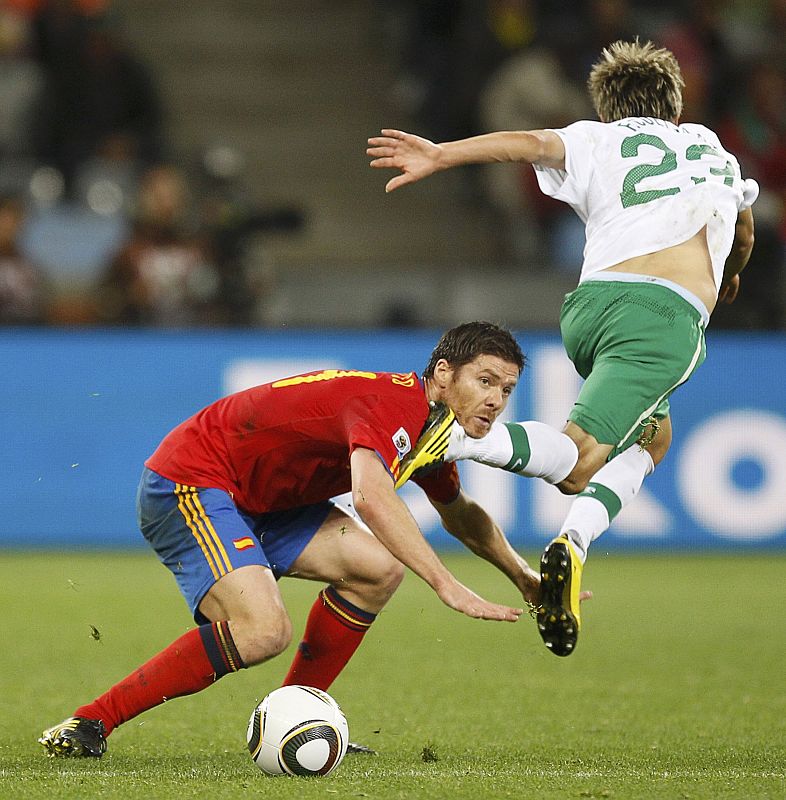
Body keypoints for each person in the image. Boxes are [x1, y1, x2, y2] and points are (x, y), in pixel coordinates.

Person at [368, 39, 758, 657]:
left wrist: (442, 154)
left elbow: (528, 143)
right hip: (662, 317)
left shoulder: (595, 139)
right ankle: (453, 437)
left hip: (589, 308)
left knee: (652, 437)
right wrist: (729, 273)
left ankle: (570, 547)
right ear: (676, 106)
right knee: (578, 463)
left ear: (607, 107)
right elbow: (742, 226)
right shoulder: (710, 147)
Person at [39, 321, 543, 758]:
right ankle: (91, 720)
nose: (496, 399)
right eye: (484, 380)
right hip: (193, 480)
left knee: (378, 571)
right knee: (263, 631)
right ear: (442, 372)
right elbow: (371, 497)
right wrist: (445, 583)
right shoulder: (393, 404)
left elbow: (460, 515)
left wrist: (522, 575)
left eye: (506, 388)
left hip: (265, 503)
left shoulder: (433, 430)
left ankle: (293, 718)